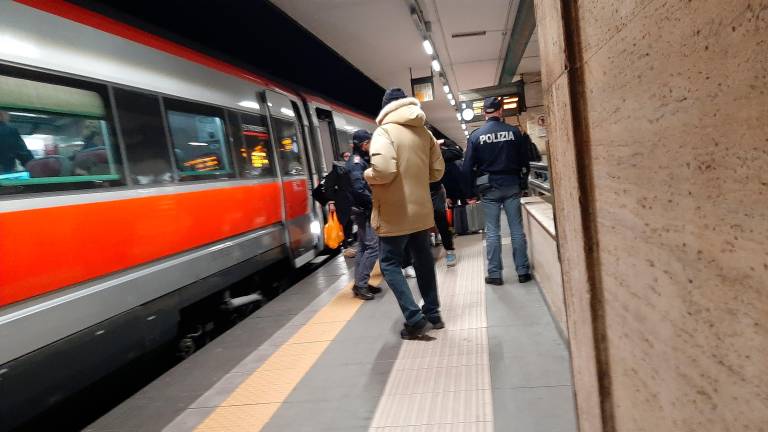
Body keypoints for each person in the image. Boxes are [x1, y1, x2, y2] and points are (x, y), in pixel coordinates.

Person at [365, 88, 445, 339]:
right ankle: (433, 313)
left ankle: (414, 316)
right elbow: (437, 172)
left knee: (389, 263)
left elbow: (384, 170)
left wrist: (368, 175)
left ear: (386, 107)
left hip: (394, 214)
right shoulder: (425, 133)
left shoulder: (384, 132)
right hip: (421, 212)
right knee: (424, 262)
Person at [463, 97, 532, 285]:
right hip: (512, 185)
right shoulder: (513, 132)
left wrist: (469, 193)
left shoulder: (476, 136)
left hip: (489, 188)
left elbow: (467, 167)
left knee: (492, 232)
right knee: (516, 230)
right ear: (500, 111)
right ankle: (523, 272)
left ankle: (494, 274)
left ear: (484, 113)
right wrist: (523, 183)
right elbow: (525, 160)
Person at [345, 129, 381, 300]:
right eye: (369, 143)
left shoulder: (355, 160)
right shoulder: (357, 163)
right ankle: (361, 285)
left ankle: (360, 283)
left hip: (358, 209)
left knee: (364, 246)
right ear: (364, 144)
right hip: (363, 209)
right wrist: (373, 201)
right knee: (373, 247)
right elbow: (359, 188)